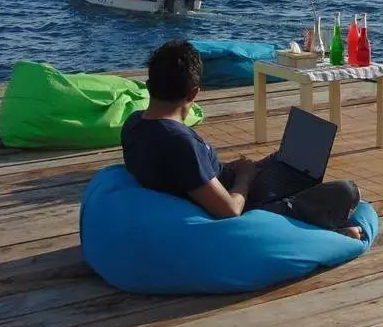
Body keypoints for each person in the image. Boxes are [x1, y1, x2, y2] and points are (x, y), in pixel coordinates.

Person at [121, 40, 362, 237]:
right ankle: (330, 234)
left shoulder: (134, 124)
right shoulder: (178, 142)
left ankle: (288, 183)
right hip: (243, 206)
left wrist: (229, 170)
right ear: (194, 93)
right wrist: (244, 179)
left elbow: (185, 173)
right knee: (345, 191)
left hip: (222, 185)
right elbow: (230, 211)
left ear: (149, 85)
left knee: (286, 164)